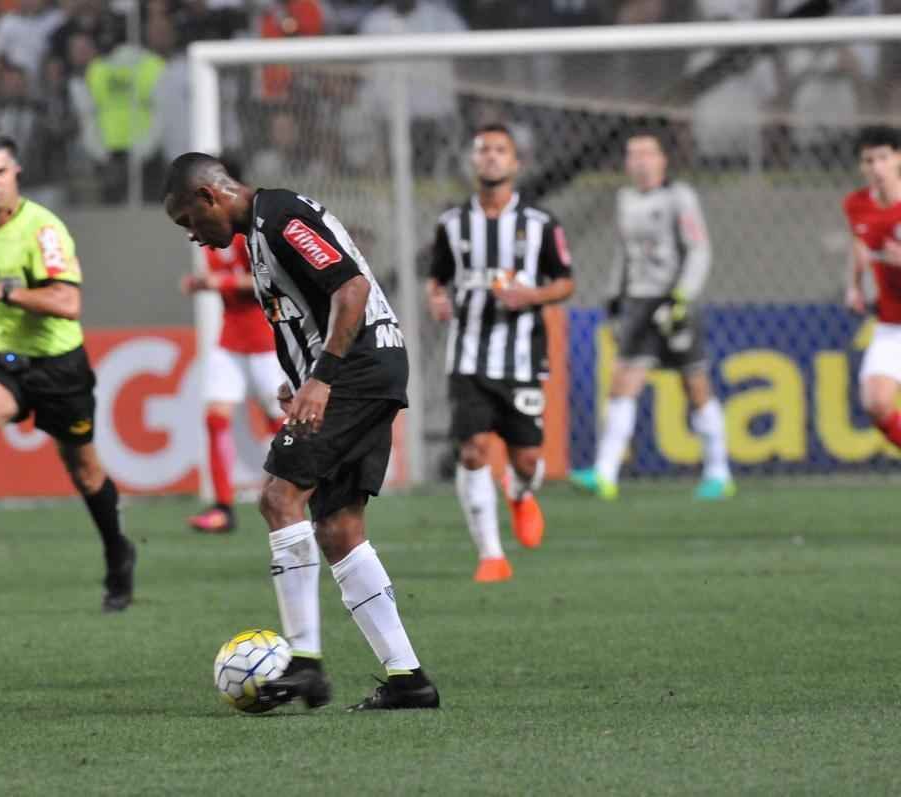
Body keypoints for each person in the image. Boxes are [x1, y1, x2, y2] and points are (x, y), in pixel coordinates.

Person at [163, 152, 439, 711]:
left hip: (358, 371)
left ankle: (306, 663)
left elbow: (352, 289)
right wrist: (301, 382)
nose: (193, 236)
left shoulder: (279, 217)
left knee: (277, 496)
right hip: (361, 373)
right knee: (338, 528)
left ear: (209, 196)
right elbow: (310, 315)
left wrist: (324, 379)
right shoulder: (259, 238)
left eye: (189, 221)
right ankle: (409, 679)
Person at [0, 132, 137, 613]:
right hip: (2, 360)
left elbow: (69, 302)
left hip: (59, 367)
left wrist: (2, 291)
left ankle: (118, 553)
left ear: (16, 174)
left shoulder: (44, 229)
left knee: (84, 473)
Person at [427, 123, 575, 583]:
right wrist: (436, 298)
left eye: (500, 150)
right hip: (467, 357)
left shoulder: (540, 225)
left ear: (516, 163)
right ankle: (491, 554)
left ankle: (521, 491)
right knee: (472, 451)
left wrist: (531, 296)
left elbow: (566, 281)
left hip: (521, 358)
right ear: (473, 161)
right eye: (483, 150)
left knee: (527, 458)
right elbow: (437, 278)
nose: (491, 157)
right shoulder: (452, 224)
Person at [570, 130, 734, 501]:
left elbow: (698, 250)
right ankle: (605, 473)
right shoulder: (625, 199)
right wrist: (613, 296)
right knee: (623, 381)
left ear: (663, 160)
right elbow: (625, 254)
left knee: (695, 385)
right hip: (640, 303)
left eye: (648, 154)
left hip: (674, 300)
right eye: (633, 155)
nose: (641, 162)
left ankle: (719, 471)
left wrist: (681, 298)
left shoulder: (680, 197)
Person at [179, 159, 286, 534]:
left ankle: (303, 490)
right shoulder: (210, 230)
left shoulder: (247, 228)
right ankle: (223, 507)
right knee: (215, 417)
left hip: (264, 341)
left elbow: (262, 281)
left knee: (281, 422)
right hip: (230, 339)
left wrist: (214, 285)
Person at [842, 125, 901, 450]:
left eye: (883, 158)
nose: (876, 167)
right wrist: (853, 286)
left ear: (898, 159)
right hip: (893, 324)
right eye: (868, 160)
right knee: (876, 403)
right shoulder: (856, 205)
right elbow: (860, 245)